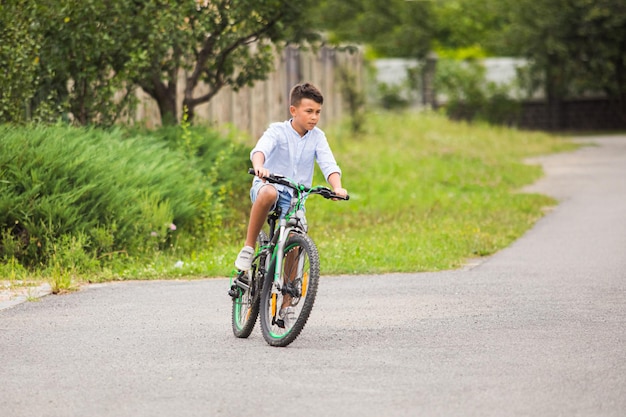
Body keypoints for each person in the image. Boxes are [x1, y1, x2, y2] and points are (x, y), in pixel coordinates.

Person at [234, 83, 347, 323]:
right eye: (309, 111)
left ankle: (286, 305)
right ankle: (248, 247)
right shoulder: (277, 131)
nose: (314, 117)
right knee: (269, 195)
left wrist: (337, 187)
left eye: (318, 112)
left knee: (296, 239)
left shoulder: (318, 138)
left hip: (296, 197)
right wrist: (259, 167)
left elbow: (329, 165)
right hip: (270, 185)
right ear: (293, 110)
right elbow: (260, 151)